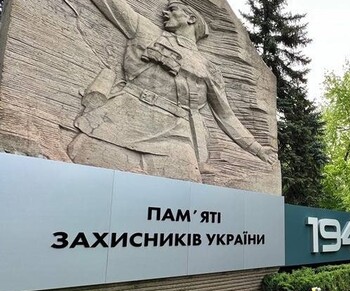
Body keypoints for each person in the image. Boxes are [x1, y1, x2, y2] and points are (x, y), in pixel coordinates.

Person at [71, 0, 275, 182]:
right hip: (122, 117)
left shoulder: (208, 68)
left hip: (176, 133)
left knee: (185, 190)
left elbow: (225, 115)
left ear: (191, 18)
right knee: (85, 172)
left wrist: (256, 148)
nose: (164, 13)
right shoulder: (147, 31)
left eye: (173, 9)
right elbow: (113, 5)